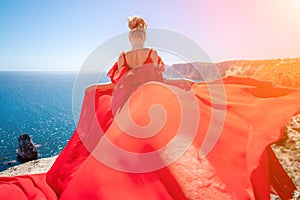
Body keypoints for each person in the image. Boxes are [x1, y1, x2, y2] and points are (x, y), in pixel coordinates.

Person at [0, 16, 299, 200]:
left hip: (138, 96)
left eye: (139, 35)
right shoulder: (149, 53)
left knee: (114, 103)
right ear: (136, 36)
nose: (138, 38)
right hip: (142, 96)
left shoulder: (129, 55)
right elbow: (149, 77)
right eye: (137, 35)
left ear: (136, 36)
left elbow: (122, 81)